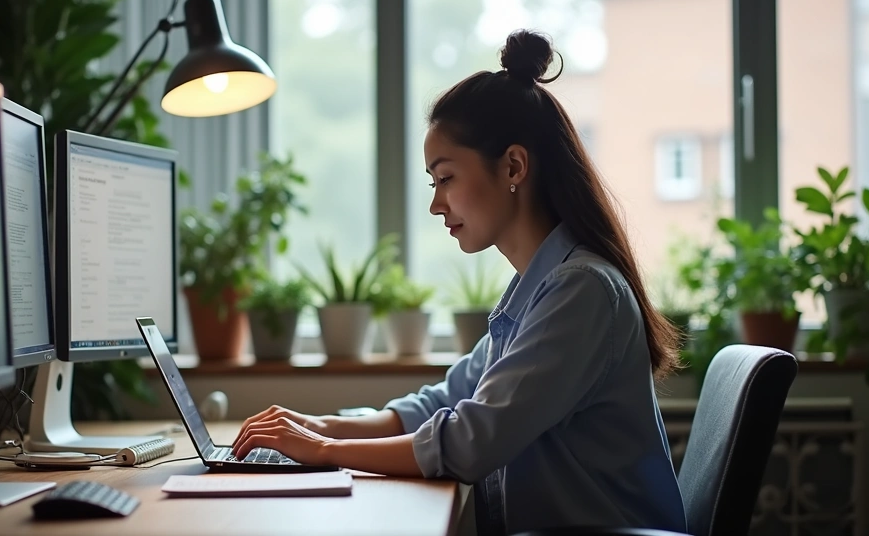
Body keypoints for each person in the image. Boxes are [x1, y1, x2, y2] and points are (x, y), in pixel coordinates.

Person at [232, 29, 687, 535]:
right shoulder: (539, 288)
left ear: (513, 166)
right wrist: (315, 426)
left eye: (445, 178)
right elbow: (442, 402)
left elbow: (471, 442)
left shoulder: (580, 291)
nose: (435, 204)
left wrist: (322, 451)